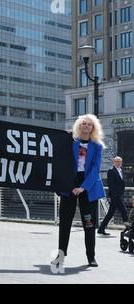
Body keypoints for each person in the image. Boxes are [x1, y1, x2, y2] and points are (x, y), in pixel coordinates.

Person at [52, 114, 105, 268]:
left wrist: (83, 187)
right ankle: (60, 256)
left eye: (89, 124)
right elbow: (59, 161)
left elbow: (95, 170)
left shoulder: (97, 146)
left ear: (93, 128)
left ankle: (91, 256)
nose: (86, 126)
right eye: (83, 123)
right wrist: (65, 138)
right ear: (79, 126)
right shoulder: (71, 143)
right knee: (65, 223)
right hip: (69, 186)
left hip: (88, 187)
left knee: (89, 223)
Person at [98, 156, 129, 235]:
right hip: (115, 195)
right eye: (117, 161)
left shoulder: (121, 170)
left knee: (110, 213)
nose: (119, 163)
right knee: (124, 210)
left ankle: (101, 229)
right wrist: (114, 195)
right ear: (113, 162)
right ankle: (128, 228)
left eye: (120, 161)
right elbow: (111, 185)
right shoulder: (111, 171)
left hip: (119, 194)